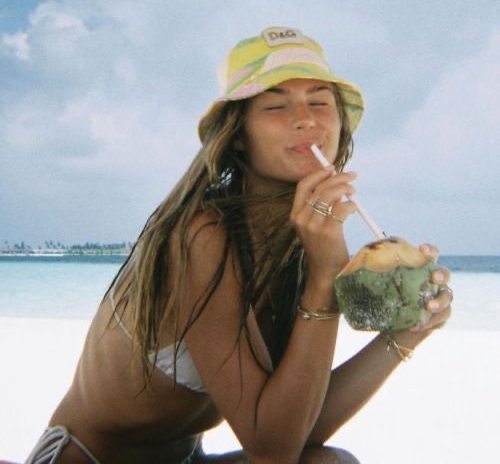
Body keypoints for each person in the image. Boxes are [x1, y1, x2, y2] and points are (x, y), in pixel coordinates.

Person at [26, 26, 453, 464]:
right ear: (238, 136)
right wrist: (326, 275)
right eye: (275, 104)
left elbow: (298, 426)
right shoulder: (200, 236)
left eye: (320, 102)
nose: (305, 118)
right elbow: (272, 451)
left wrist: (405, 334)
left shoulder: (298, 247)